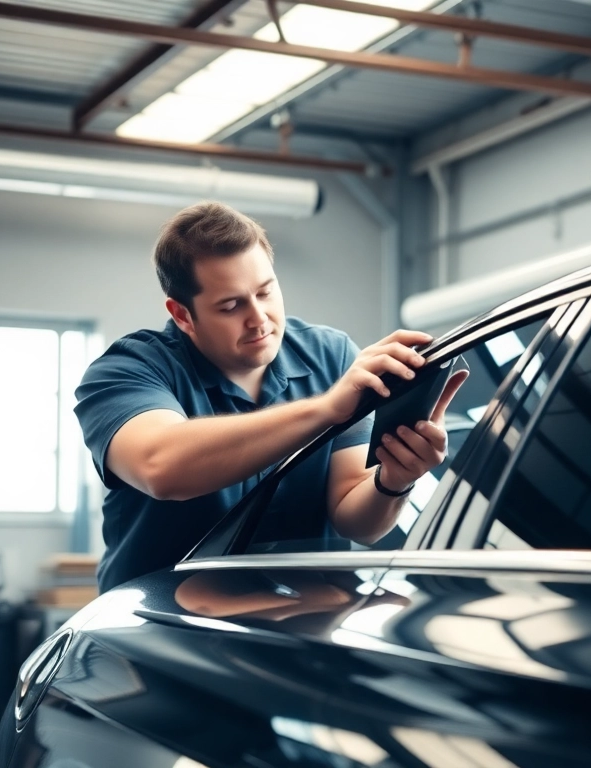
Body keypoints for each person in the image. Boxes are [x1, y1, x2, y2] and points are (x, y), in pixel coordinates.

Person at [75, 202, 465, 593]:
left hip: (300, 627)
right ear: (182, 315)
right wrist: (325, 409)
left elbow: (358, 523)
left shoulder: (333, 357)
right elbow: (161, 466)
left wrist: (394, 480)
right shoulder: (126, 370)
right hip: (164, 632)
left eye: (266, 292)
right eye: (231, 305)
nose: (259, 318)